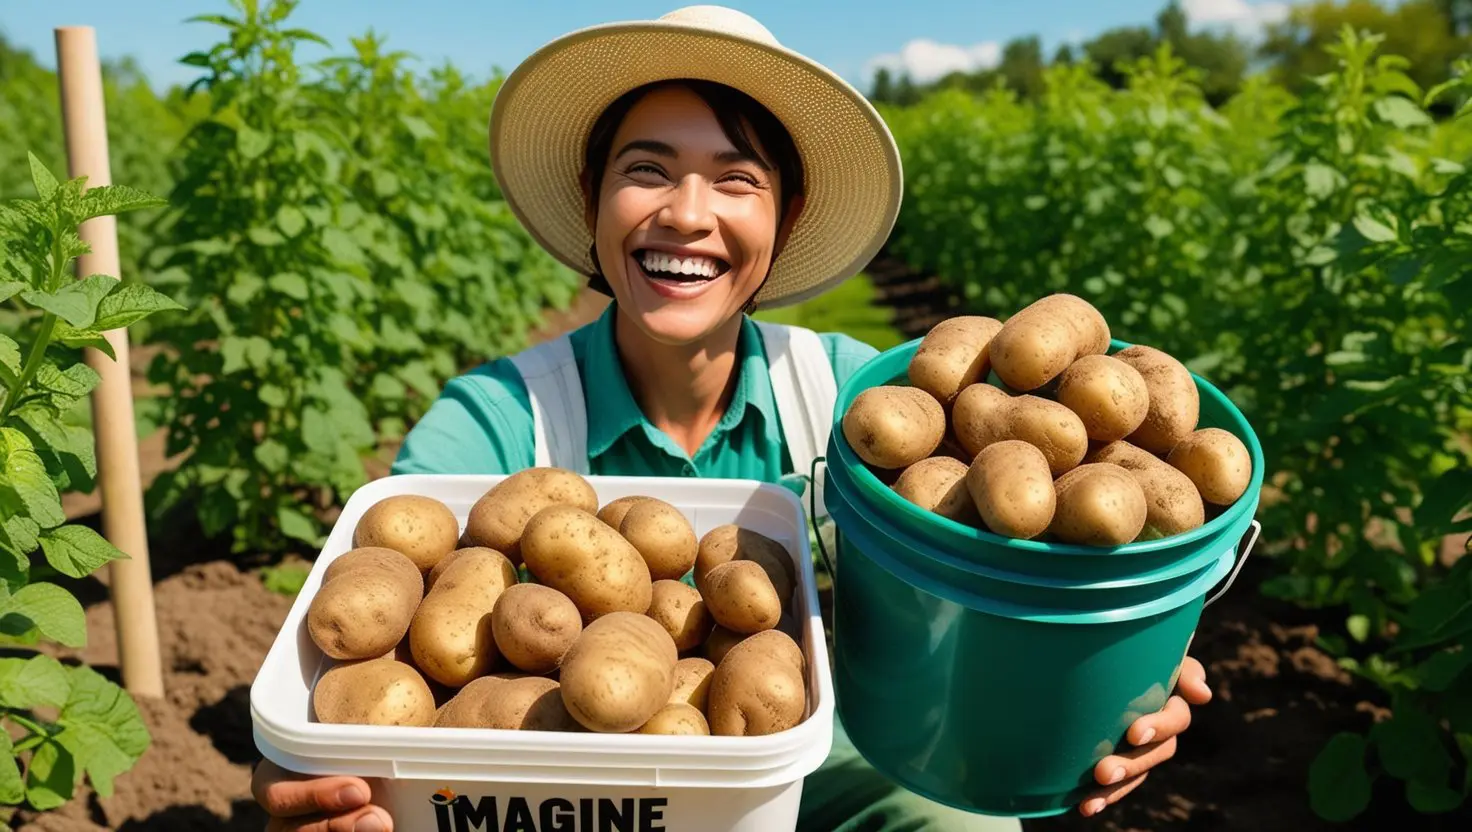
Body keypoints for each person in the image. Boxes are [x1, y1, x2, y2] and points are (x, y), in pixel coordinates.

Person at [251, 7, 1212, 831]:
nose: (687, 213)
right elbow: (346, 637)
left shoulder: (854, 397)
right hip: (556, 785)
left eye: (737, 179)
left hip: (825, 761)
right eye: (648, 170)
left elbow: (1014, 562)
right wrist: (299, 765)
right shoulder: (496, 421)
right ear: (593, 202)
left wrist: (1109, 674)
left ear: (784, 221)